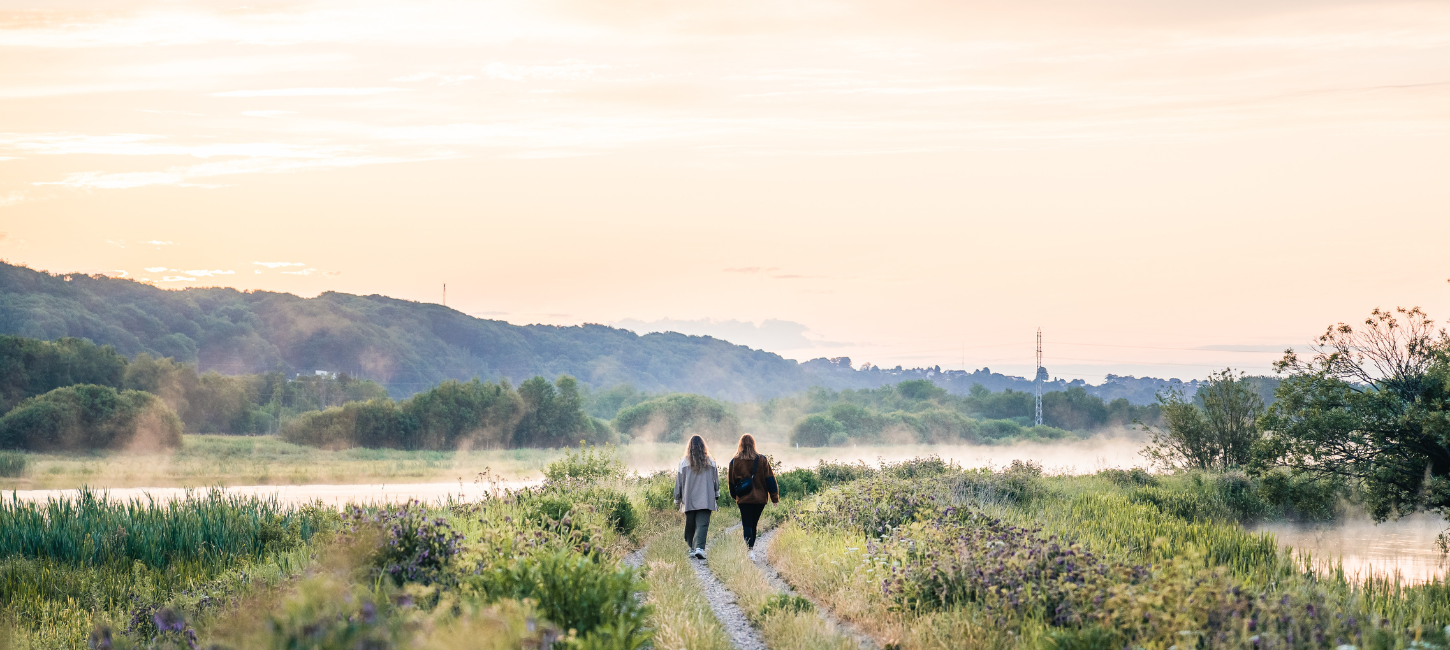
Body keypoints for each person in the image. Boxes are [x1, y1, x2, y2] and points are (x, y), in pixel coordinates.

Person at [727, 433, 778, 561]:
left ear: (741, 445)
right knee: (753, 524)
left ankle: (749, 550)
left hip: (744, 499)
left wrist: (736, 496)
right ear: (753, 444)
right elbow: (770, 480)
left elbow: (731, 482)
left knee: (747, 524)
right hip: (760, 499)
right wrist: (774, 497)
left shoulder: (735, 461)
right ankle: (751, 549)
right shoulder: (762, 460)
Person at [674, 435, 718, 560]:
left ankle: (691, 548)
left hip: (689, 498)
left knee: (690, 523)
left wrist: (677, 498)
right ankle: (699, 548)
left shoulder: (683, 462)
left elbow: (679, 482)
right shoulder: (711, 462)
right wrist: (716, 494)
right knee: (703, 524)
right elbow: (715, 480)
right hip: (706, 496)